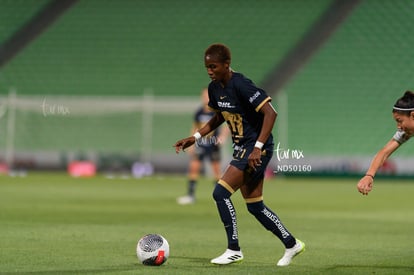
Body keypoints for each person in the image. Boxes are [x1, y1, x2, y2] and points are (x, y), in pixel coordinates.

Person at [174, 43, 305, 266]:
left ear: (227, 64)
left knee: (220, 193)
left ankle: (234, 249)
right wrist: (195, 137)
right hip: (242, 148)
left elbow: (270, 113)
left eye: (213, 66)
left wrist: (258, 147)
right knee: (255, 206)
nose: (209, 70)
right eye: (207, 67)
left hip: (255, 149)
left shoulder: (241, 84)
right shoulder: (215, 88)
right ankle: (291, 244)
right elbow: (218, 117)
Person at [357, 91, 414, 195]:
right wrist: (369, 175)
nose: (398, 126)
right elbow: (384, 152)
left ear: (413, 115)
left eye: (400, 120)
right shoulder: (404, 133)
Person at [177, 88, 227, 205]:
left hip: (213, 144)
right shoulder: (199, 112)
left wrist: (222, 138)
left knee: (216, 170)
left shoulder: (217, 111)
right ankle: (190, 195)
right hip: (201, 143)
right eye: (204, 96)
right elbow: (195, 128)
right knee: (194, 167)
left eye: (208, 96)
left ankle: (220, 197)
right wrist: (191, 143)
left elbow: (226, 126)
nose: (205, 98)